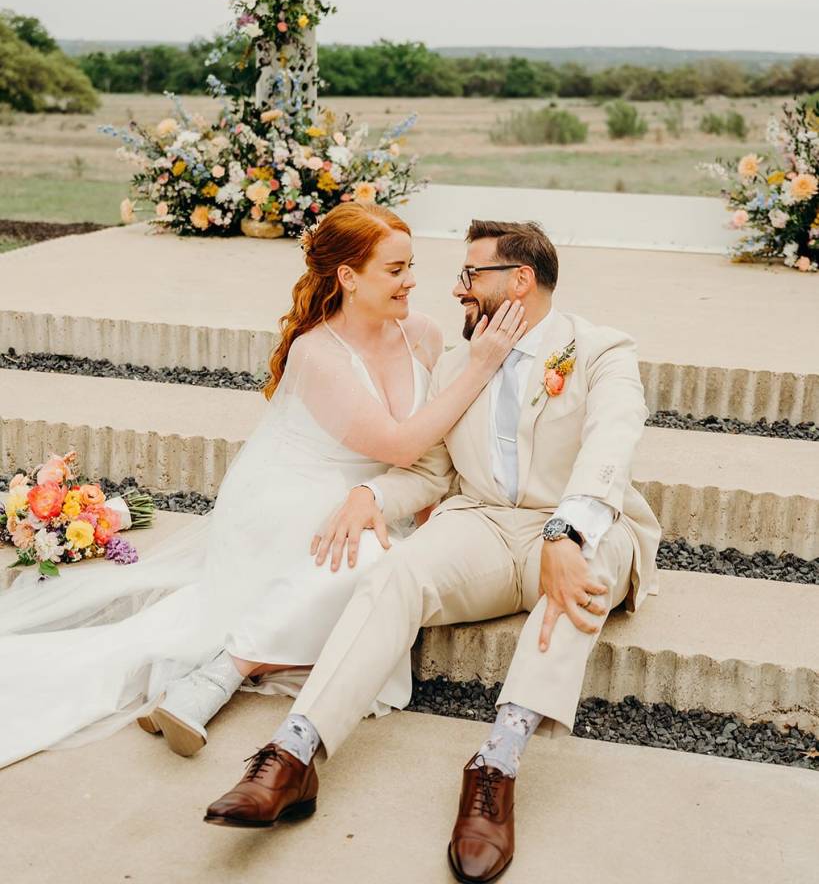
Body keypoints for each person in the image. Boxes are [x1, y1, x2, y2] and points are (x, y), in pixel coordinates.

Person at [203, 220, 661, 884]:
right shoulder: (459, 359)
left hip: (578, 523)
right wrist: (371, 494)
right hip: (479, 522)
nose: (454, 290)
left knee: (581, 575)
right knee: (396, 572)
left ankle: (494, 767)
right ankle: (293, 755)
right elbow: (430, 473)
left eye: (470, 276)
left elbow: (610, 446)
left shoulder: (599, 350)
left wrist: (569, 531)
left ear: (519, 280)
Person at [0, 202, 525, 769]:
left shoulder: (420, 333)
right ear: (348, 277)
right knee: (362, 555)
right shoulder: (318, 352)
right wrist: (480, 364)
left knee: (377, 555)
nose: (412, 281)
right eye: (394, 269)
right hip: (292, 498)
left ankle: (220, 673)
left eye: (411, 265)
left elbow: (430, 446)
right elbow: (401, 445)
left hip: (373, 498)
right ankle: (222, 674)